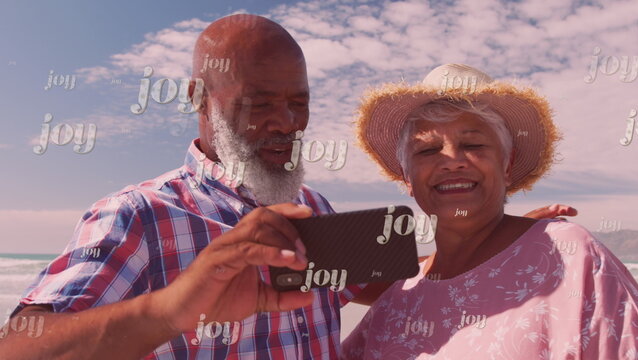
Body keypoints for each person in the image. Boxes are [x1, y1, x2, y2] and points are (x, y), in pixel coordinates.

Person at [0, 16, 575, 359]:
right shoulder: (139, 214)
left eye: (298, 104)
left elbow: (386, 280)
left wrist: (498, 243)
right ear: (200, 99)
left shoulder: (310, 206)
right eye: (259, 104)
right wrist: (172, 309)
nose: (285, 123)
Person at [342, 64, 638, 359]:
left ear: (507, 164)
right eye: (428, 149)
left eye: (473, 145)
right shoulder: (399, 294)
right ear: (407, 178)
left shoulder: (571, 256)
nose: (452, 159)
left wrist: (526, 239)